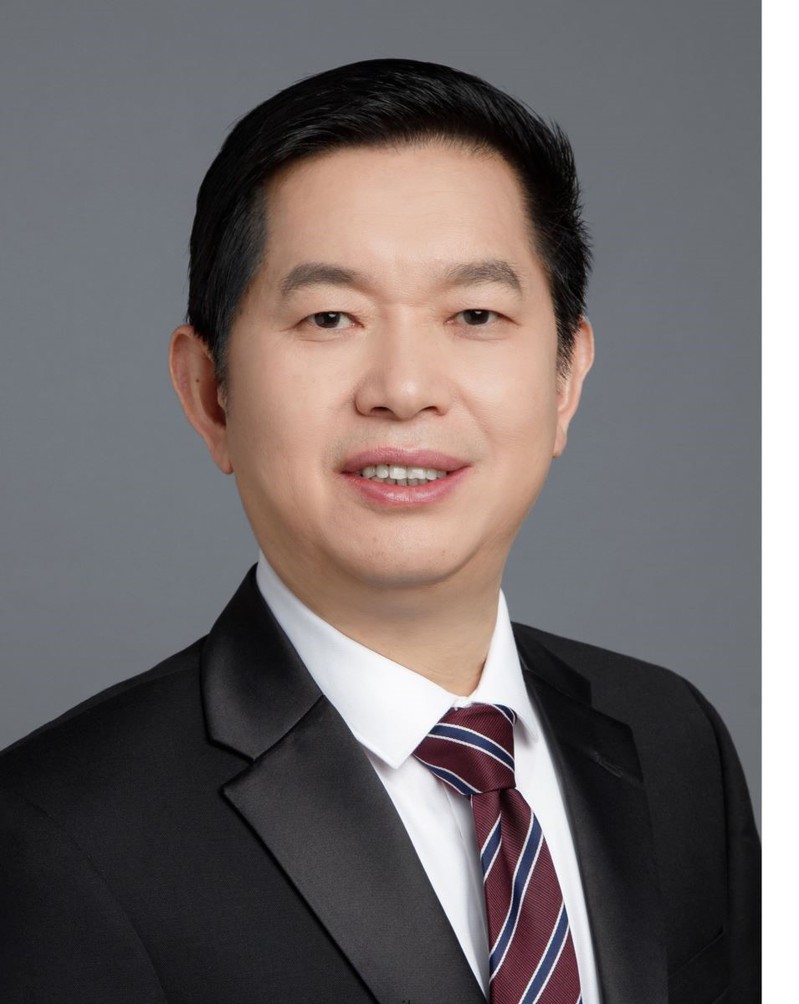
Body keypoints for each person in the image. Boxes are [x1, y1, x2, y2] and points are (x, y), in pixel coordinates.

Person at [0, 58, 759, 1003]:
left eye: (474, 314)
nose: (403, 389)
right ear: (210, 393)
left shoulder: (672, 738)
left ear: (565, 379)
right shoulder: (54, 835)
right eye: (330, 317)